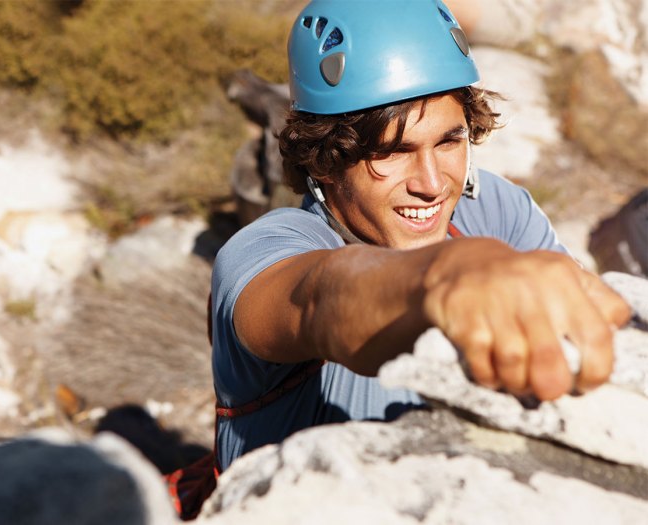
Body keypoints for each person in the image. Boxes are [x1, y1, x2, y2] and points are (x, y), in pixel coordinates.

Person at [210, 0, 631, 472]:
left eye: (449, 141)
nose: (432, 184)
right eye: (393, 151)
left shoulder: (492, 209)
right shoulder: (263, 251)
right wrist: (446, 275)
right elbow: (322, 298)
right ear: (323, 159)